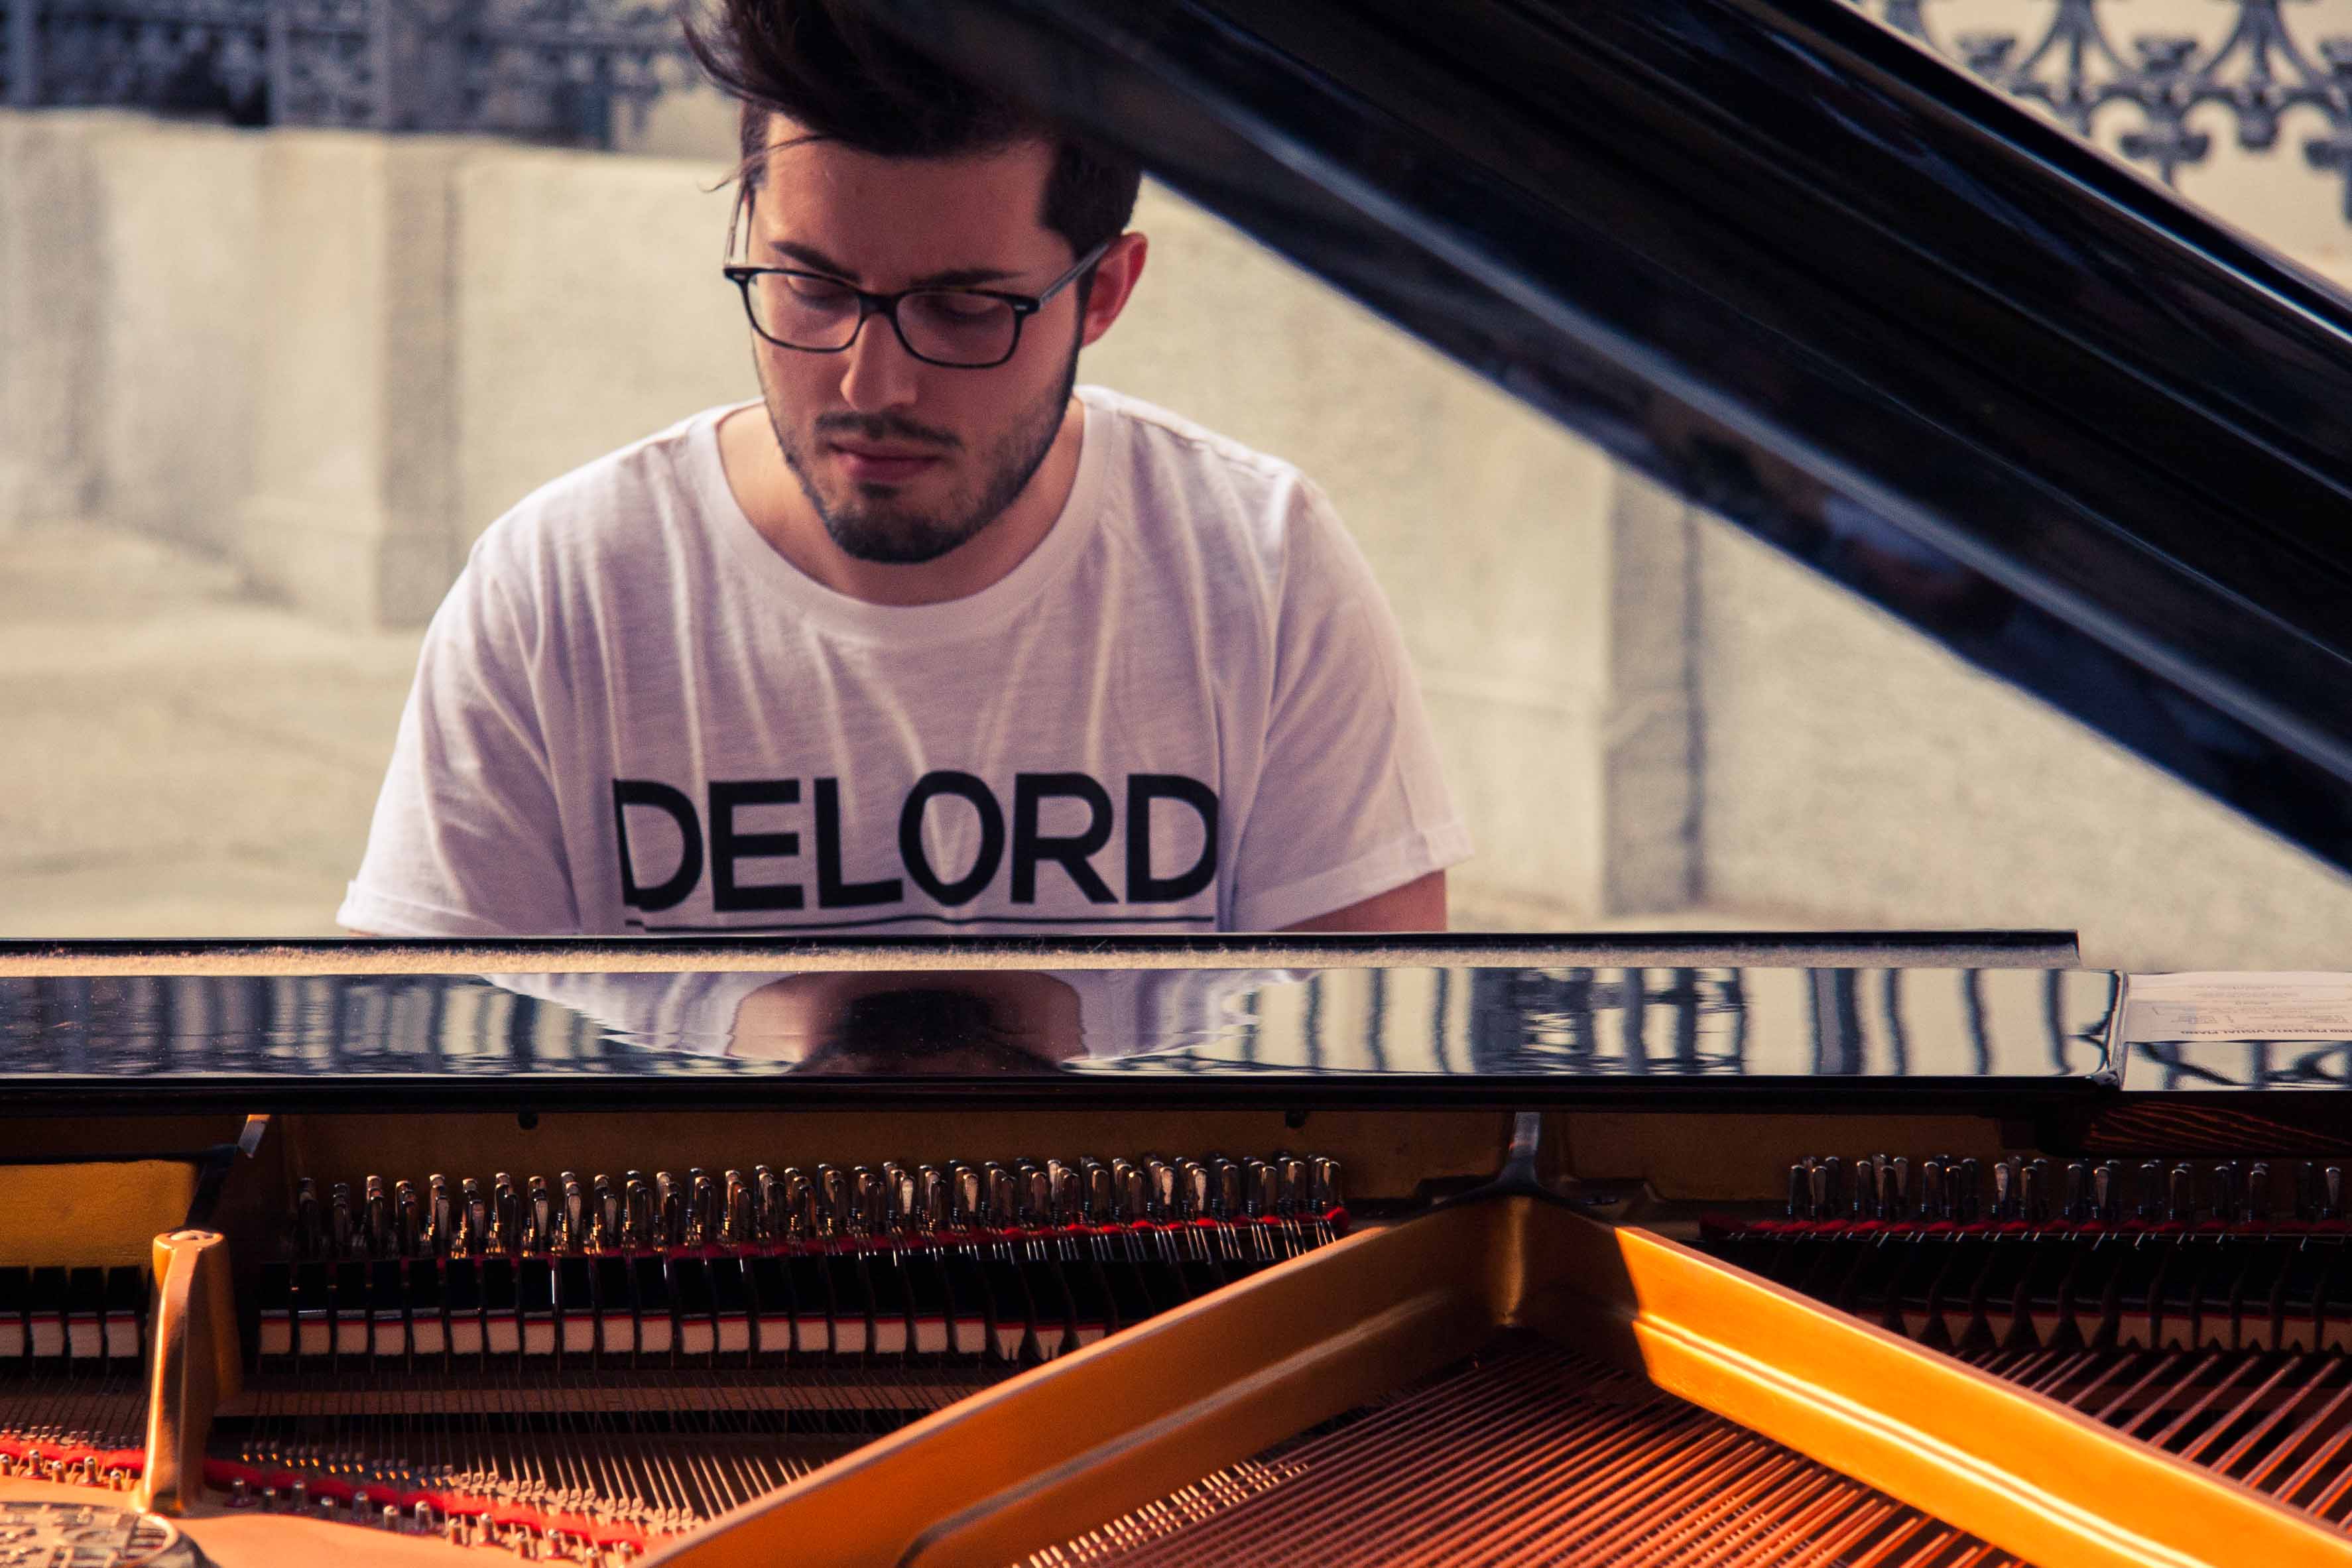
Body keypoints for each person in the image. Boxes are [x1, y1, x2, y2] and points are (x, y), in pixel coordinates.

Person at [339, 0, 1469, 939]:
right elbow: (430, 1104)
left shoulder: (1261, 574)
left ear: (1106, 294)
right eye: (813, 289)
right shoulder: (558, 593)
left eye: (965, 309)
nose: (871, 383)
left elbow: (1374, 1110)